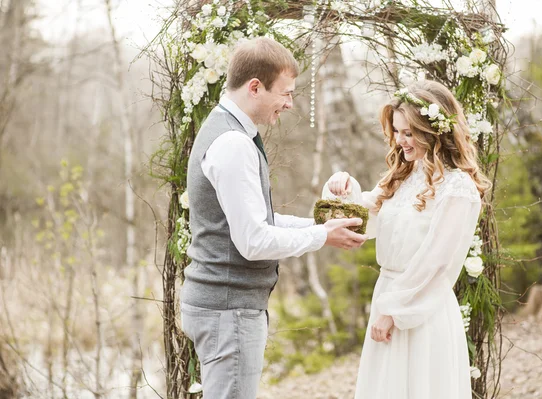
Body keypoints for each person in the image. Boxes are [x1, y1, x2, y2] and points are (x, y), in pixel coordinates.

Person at [180, 37, 367, 399]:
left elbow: (256, 222)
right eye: (286, 93)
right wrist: (321, 237)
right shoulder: (233, 144)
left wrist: (319, 228)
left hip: (222, 307)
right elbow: (253, 242)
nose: (290, 103)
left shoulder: (227, 130)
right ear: (255, 87)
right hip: (228, 310)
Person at [327, 79, 491, 399]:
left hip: (421, 309)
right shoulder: (405, 176)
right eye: (397, 132)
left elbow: (437, 261)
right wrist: (342, 188)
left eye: (408, 132)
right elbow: (363, 222)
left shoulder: (458, 188)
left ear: (433, 131)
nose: (400, 141)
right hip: (388, 294)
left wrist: (394, 311)